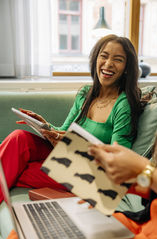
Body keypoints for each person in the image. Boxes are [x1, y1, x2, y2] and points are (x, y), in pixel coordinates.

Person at [0, 0, 157, 239]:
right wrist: (54, 133)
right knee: (19, 150)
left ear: (126, 67)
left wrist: (142, 172)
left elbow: (156, 181)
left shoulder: (123, 104)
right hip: (149, 221)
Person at [0, 34, 142, 204]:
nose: (108, 63)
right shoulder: (85, 94)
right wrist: (44, 125)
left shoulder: (123, 105)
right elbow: (65, 132)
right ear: (96, 59)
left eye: (118, 59)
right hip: (68, 158)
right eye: (104, 56)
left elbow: (117, 159)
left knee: (13, 168)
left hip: (95, 174)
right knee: (19, 138)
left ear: (127, 67)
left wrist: (74, 145)